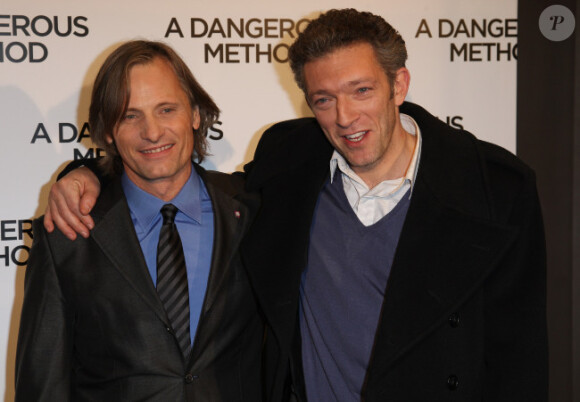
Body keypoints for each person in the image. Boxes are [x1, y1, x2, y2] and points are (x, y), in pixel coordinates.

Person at [43, 9, 548, 402]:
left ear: (400, 85)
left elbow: (520, 360)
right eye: (323, 99)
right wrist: (85, 172)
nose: (344, 116)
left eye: (361, 90)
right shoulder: (287, 167)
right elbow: (159, 169)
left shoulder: (495, 192)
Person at [16, 40, 263, 402]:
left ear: (195, 113)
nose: (152, 131)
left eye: (166, 109)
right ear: (109, 130)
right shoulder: (68, 234)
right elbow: (43, 387)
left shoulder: (251, 210)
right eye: (130, 115)